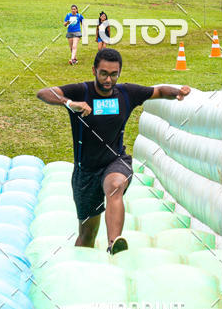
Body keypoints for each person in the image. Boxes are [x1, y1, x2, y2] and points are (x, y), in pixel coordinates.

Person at [36, 48, 191, 254]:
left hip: (116, 160)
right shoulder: (81, 91)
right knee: (87, 234)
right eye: (103, 73)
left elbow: (159, 91)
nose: (108, 79)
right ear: (94, 70)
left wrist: (178, 92)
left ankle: (113, 245)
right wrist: (69, 103)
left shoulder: (127, 93)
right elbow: (44, 93)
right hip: (86, 171)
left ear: (119, 73)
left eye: (113, 74)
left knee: (115, 185)